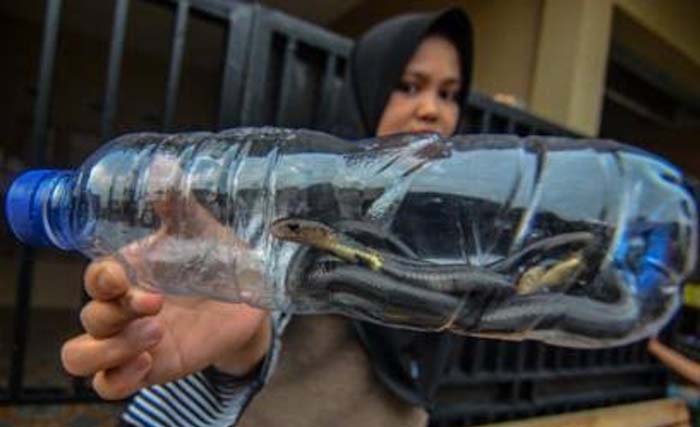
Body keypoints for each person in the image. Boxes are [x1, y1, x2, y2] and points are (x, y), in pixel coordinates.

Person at [60, 7, 473, 426]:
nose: (432, 110)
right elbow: (246, 328)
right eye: (408, 86)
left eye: (449, 94)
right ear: (369, 88)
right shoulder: (306, 200)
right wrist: (243, 338)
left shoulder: (452, 228)